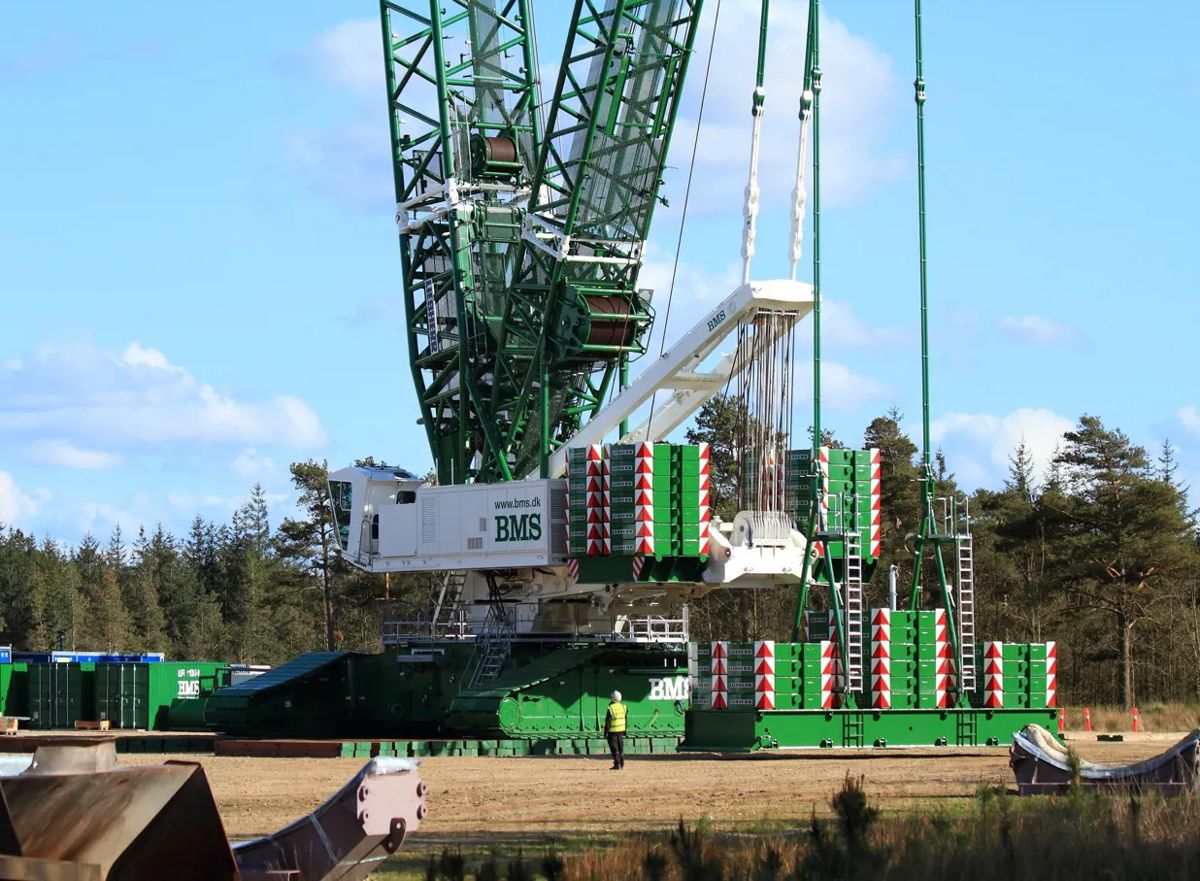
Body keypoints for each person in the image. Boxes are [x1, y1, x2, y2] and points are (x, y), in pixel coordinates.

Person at [604, 690, 627, 770]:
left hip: (613, 731)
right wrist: (625, 730)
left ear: (612, 698)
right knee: (620, 748)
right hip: (621, 730)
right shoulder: (623, 707)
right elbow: (625, 719)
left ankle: (617, 764)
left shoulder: (611, 708)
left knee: (614, 748)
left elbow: (608, 721)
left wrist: (605, 732)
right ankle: (622, 763)